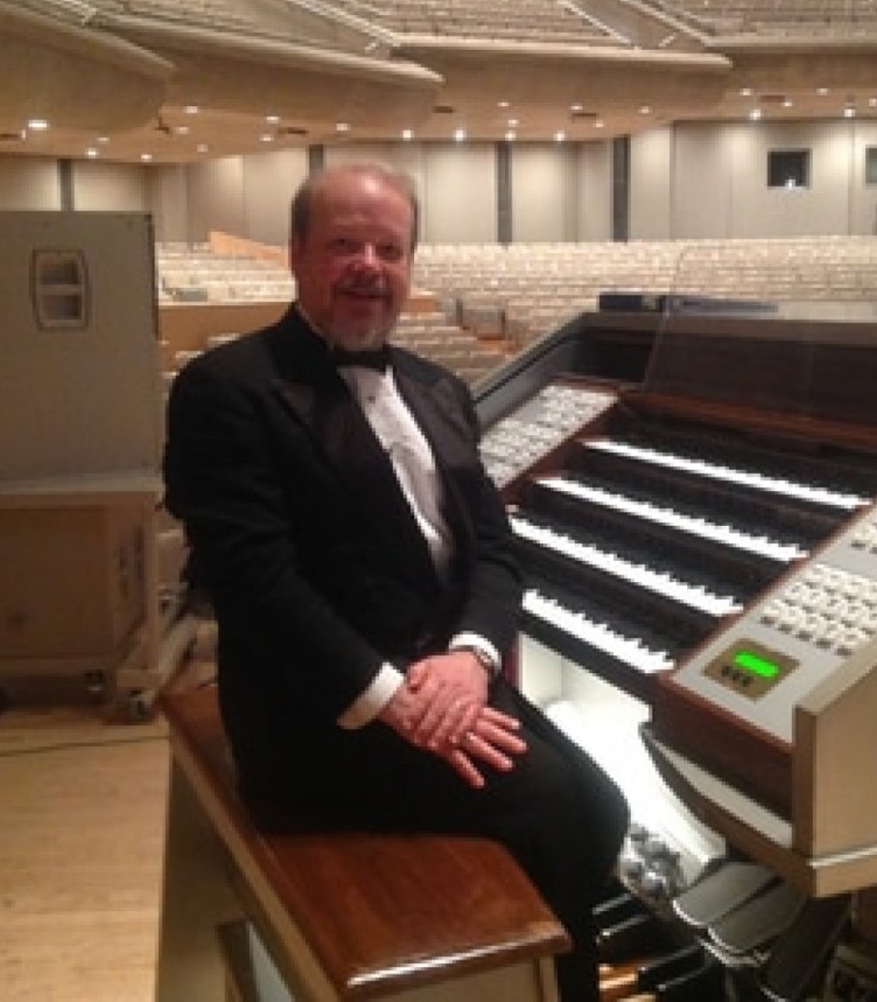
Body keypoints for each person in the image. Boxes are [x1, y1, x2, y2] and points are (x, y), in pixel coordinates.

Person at [162, 161, 629, 1001]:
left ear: (410, 264)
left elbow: (494, 549)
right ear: (298, 254)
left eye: (390, 246)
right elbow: (254, 583)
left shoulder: (438, 387)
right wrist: (398, 700)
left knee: (601, 805)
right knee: (565, 813)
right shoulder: (226, 390)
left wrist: (472, 658)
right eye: (344, 244)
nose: (368, 264)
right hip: (321, 715)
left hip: (446, 682)